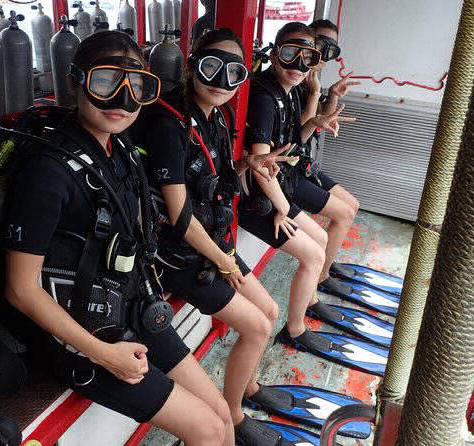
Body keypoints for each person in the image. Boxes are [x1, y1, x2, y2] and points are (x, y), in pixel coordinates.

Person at [4, 31, 233, 446]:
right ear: (75, 82)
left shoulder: (120, 151)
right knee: (209, 429)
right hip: (78, 336)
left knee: (221, 415)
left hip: (129, 306)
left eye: (137, 85)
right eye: (106, 81)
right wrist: (104, 354)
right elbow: (21, 290)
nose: (123, 99)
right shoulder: (47, 172)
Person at [142, 28, 296, 444]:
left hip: (213, 247)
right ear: (192, 65)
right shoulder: (168, 123)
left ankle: (245, 388)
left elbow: (215, 179)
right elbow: (178, 215)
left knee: (269, 310)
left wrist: (248, 166)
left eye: (235, 73)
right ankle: (235, 415)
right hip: (179, 257)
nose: (222, 81)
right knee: (258, 327)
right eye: (212, 67)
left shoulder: (219, 116)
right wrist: (224, 260)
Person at [239, 22, 354, 349]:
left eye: (308, 58)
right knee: (314, 254)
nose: (299, 66)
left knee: (320, 241)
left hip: (278, 188)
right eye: (291, 54)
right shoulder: (264, 96)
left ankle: (309, 301)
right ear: (275, 54)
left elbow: (292, 146)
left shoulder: (287, 90)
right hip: (257, 198)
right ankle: (295, 330)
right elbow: (262, 165)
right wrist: (283, 208)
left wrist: (314, 122)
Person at [298, 18, 362, 295]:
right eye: (320, 44)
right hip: (289, 169)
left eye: (330, 48)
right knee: (344, 213)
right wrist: (314, 92)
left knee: (352, 205)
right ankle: (321, 275)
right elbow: (300, 131)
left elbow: (321, 120)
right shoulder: (297, 77)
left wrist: (332, 94)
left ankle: (326, 265)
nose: (324, 53)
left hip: (303, 164)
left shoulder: (313, 78)